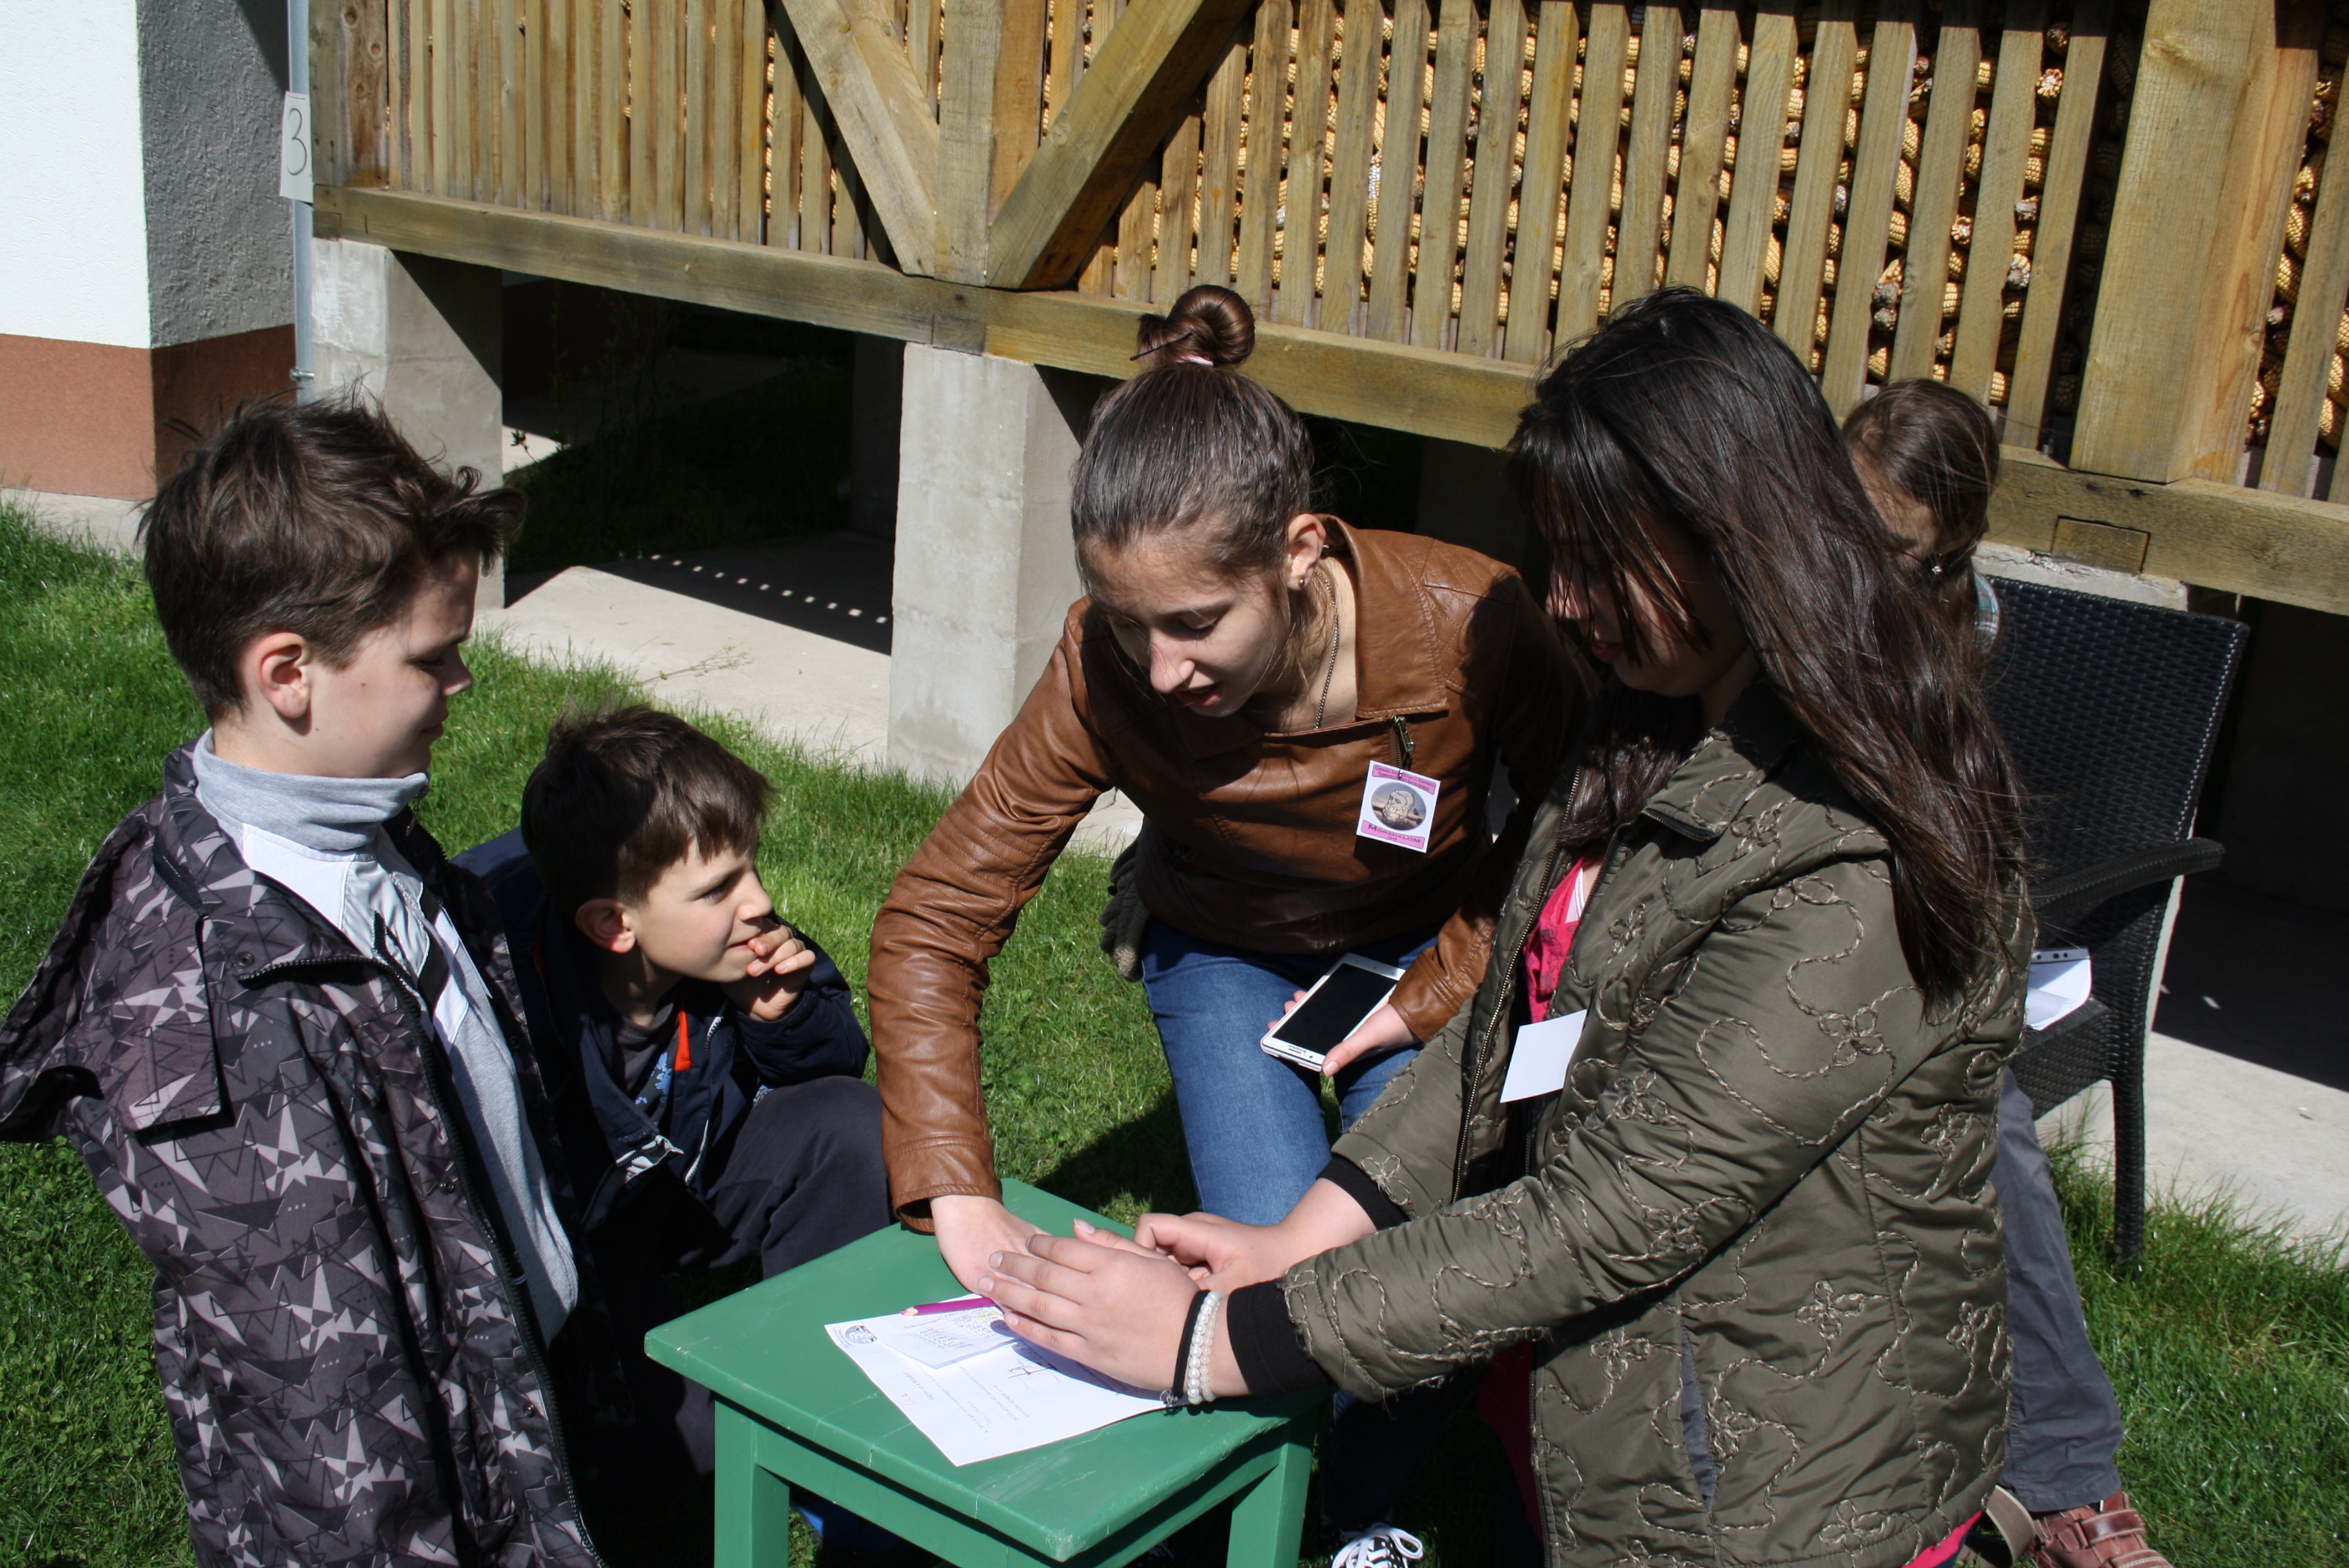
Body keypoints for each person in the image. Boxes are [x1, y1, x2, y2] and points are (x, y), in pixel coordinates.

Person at [973, 289, 2035, 1568]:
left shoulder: (1852, 844)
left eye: (1599, 561)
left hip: (1776, 1492)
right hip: (1625, 1434)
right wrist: (1312, 1232)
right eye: (1557, 555)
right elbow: (1520, 1016)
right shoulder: (1657, 721)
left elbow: (1613, 1209)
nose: (1566, 602)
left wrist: (1211, 1343)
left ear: (1733, 533)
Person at [865, 284, 1577, 1557]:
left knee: (1422, 1275)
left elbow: (1577, 824)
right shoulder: (1103, 667)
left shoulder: (1471, 620)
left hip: (1420, 950)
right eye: (1127, 623)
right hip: (1225, 946)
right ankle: (1286, 1507)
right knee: (1272, 1281)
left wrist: (1427, 995)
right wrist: (954, 1188)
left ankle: (1342, 1513)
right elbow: (937, 913)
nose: (1159, 670)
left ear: (1298, 552)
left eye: (1196, 625)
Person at [0, 397, 606, 1564]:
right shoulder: (220, 1018)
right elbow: (330, 1428)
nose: (464, 677)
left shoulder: (362, 841)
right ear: (288, 673)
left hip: (503, 1415)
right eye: (431, 655)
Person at [1846, 380, 2176, 1568]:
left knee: (1988, 1126)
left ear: (1954, 544)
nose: (1863, 570)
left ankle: (2066, 1476)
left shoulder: (1958, 625)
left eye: (1897, 550)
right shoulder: (1777, 590)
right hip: (1801, 937)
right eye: (1845, 528)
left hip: (1912, 926)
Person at [458, 706, 892, 1518]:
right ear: (613, 924)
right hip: (566, 1250)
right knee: (672, 1459)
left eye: (750, 867)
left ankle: (833, 1382)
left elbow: (831, 1064)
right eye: (719, 888)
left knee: (849, 1123)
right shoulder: (498, 989)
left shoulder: (722, 941)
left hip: (678, 1186)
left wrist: (783, 1017)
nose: (759, 900)